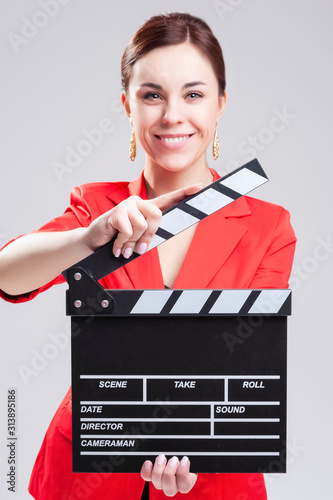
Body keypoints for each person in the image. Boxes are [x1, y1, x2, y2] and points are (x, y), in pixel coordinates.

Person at [0, 12, 296, 500]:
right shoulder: (96, 207)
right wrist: (88, 238)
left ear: (221, 104)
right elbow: (8, 276)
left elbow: (249, 362)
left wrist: (200, 454)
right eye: (152, 94)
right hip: (89, 469)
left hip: (215, 473)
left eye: (194, 94)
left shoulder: (269, 226)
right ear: (127, 106)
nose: (172, 115)